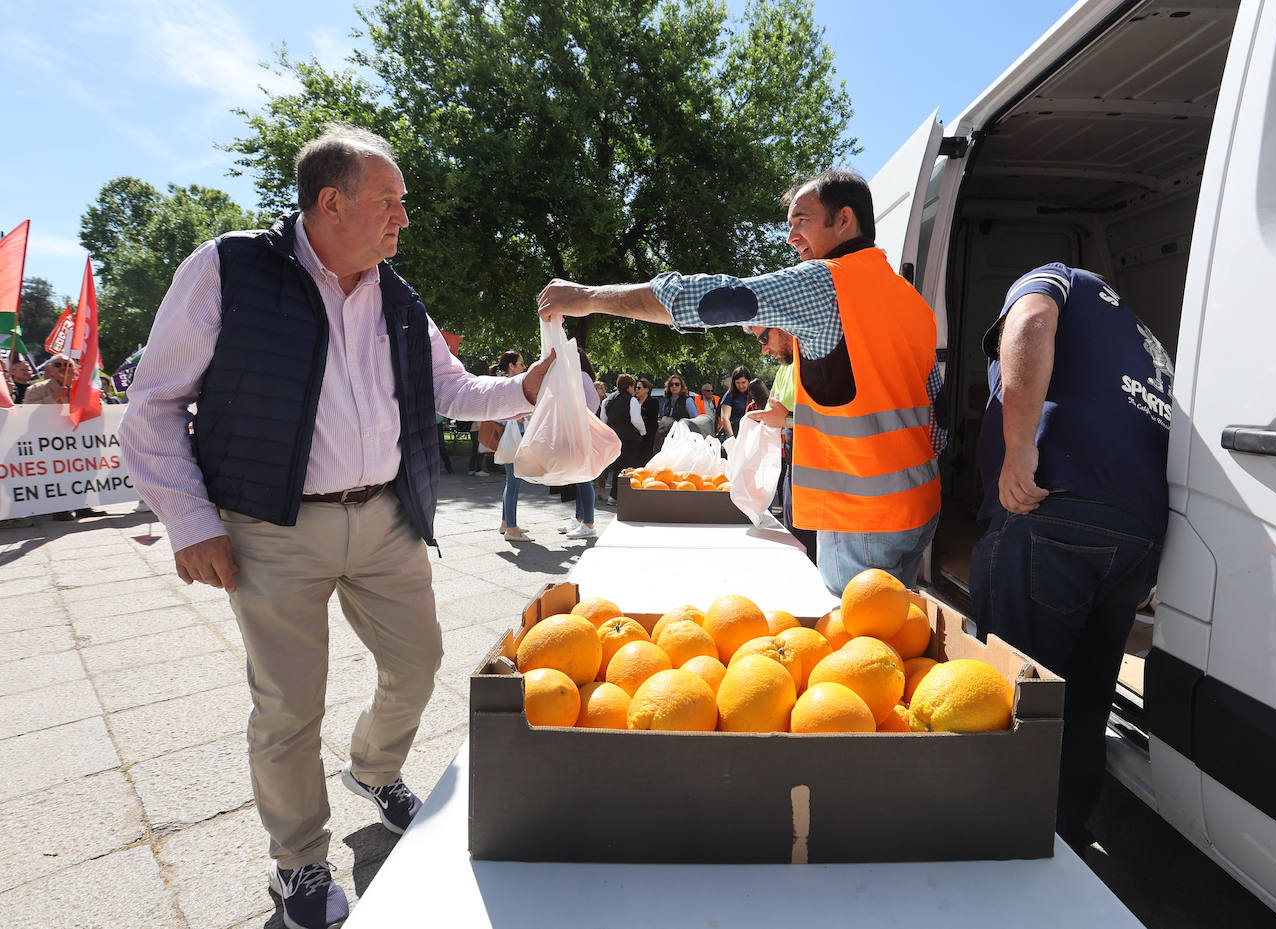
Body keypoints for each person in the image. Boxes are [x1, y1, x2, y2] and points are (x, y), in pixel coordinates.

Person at [119, 124, 551, 929]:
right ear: (331, 202)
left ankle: (374, 770)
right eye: (390, 201)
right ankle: (299, 861)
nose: (404, 218)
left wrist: (527, 386)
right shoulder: (228, 269)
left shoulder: (397, 295)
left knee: (419, 662)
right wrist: (189, 518)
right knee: (289, 705)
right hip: (270, 527)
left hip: (384, 515)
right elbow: (152, 404)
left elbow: (451, 389)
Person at [539, 168, 940, 596]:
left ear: (844, 220)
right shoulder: (910, 300)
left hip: (863, 518)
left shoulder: (827, 281)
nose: (791, 237)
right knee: (900, 625)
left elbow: (707, 299)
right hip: (919, 504)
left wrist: (588, 297)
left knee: (862, 633)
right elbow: (935, 415)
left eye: (801, 220)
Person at [969, 262, 1171, 854]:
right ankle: (1065, 843)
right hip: (1136, 532)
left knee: (1014, 694)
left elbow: (1032, 321)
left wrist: (1018, 449)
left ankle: (999, 845)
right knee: (1085, 699)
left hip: (1054, 510)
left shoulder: (1054, 278)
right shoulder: (1147, 342)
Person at [28, 355, 108, 520]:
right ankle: (60, 509)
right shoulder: (36, 389)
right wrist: (53, 398)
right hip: (52, 441)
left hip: (79, 439)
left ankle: (83, 506)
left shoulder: (84, 389)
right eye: (58, 364)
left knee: (84, 471)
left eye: (68, 365)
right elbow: (27, 412)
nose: (64, 368)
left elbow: (97, 412)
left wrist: (97, 401)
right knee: (57, 474)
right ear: (49, 369)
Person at [557, 349, 600, 540]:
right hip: (579, 431)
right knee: (580, 477)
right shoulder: (578, 376)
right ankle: (580, 519)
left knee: (583, 478)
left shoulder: (581, 376)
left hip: (581, 432)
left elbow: (593, 401)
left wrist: (582, 421)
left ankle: (588, 524)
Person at [495, 349, 533, 541]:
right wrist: (515, 417)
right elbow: (496, 412)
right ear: (511, 366)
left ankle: (507, 523)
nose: (524, 367)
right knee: (514, 483)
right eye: (521, 364)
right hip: (513, 438)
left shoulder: (508, 383)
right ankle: (511, 529)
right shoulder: (506, 384)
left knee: (512, 482)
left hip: (514, 438)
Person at [600, 373, 646, 502]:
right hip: (630, 439)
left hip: (614, 438)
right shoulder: (631, 400)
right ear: (629, 386)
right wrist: (643, 432)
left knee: (617, 467)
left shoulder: (607, 400)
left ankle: (614, 495)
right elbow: (636, 420)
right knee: (628, 468)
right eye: (633, 386)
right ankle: (624, 496)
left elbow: (603, 420)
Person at [716, 366, 754, 438]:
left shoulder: (754, 393)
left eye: (743, 382)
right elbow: (725, 418)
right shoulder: (729, 395)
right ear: (734, 382)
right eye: (738, 383)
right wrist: (732, 437)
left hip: (751, 433)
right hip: (735, 433)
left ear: (749, 381)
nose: (741, 386)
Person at [634, 377, 659, 466]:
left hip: (649, 436)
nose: (636, 390)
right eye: (635, 388)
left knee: (646, 459)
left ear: (647, 389)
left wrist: (639, 416)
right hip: (636, 437)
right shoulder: (634, 402)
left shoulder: (653, 402)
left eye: (639, 388)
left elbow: (649, 415)